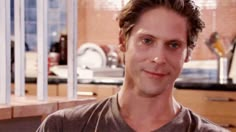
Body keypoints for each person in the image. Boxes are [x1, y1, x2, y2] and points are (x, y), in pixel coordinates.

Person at [37, 0, 228, 131]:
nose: (158, 58)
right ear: (123, 41)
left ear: (187, 53)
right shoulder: (62, 127)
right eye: (147, 41)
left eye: (173, 45)